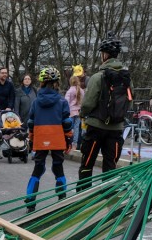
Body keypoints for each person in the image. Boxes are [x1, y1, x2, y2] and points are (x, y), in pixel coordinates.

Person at [77, 33, 130, 190]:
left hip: (96, 127)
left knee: (87, 162)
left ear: (104, 55)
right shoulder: (126, 77)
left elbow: (88, 103)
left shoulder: (98, 77)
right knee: (110, 165)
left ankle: (84, 195)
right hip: (116, 129)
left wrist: (82, 114)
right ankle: (108, 197)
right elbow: (129, 100)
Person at [24, 68, 73, 213]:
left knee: (38, 168)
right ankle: (62, 201)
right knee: (58, 167)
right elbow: (67, 122)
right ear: (57, 83)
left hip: (40, 136)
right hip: (57, 137)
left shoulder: (36, 102)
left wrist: (32, 140)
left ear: (42, 83)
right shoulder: (61, 101)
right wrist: (69, 139)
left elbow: (31, 123)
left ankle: (30, 203)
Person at [65, 74, 84, 149]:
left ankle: (69, 142)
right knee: (77, 128)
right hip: (79, 112)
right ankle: (74, 144)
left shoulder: (70, 91)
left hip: (71, 112)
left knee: (69, 128)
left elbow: (66, 102)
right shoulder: (82, 91)